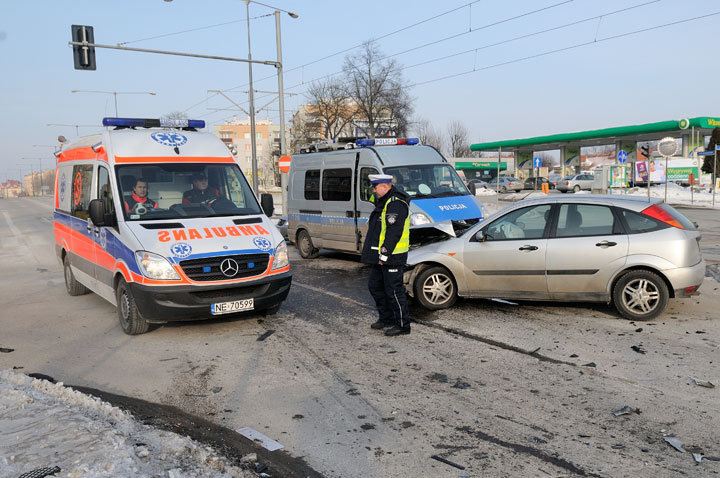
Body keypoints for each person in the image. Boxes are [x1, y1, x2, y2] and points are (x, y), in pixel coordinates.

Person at [360, 174, 412, 337]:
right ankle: (387, 318)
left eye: (375, 187)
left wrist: (384, 255)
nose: (374, 191)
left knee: (394, 290)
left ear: (385, 186)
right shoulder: (385, 201)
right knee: (375, 286)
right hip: (381, 255)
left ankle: (403, 325)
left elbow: (393, 232)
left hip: (392, 256)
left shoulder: (396, 203)